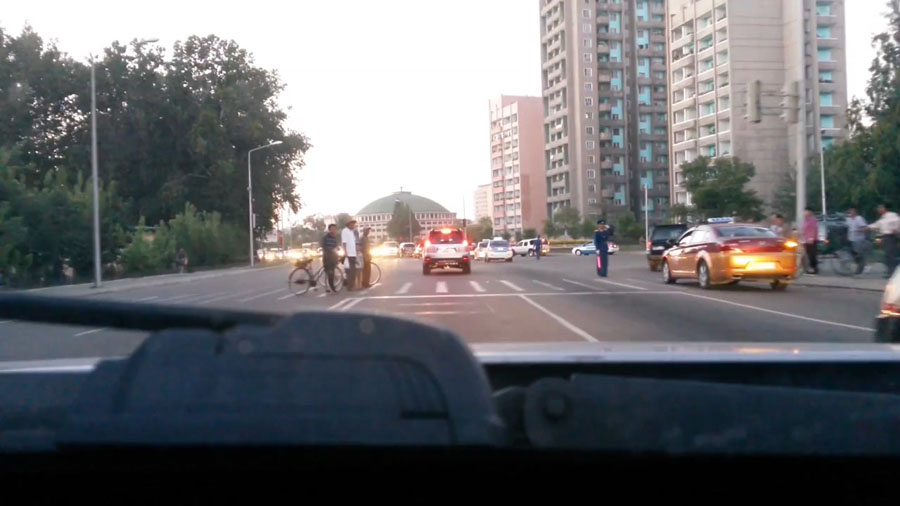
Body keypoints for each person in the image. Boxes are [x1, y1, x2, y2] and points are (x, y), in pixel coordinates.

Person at [868, 203, 900, 278]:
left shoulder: (892, 216)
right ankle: (890, 272)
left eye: (879, 208)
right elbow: (877, 226)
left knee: (891, 255)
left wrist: (896, 230)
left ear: (884, 209)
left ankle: (892, 273)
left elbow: (897, 225)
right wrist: (867, 227)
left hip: (891, 237)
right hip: (885, 237)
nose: (878, 209)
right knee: (888, 255)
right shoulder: (883, 218)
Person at [845, 207, 869, 273]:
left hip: (858, 239)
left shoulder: (859, 218)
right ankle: (860, 265)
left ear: (855, 212)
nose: (850, 213)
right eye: (849, 212)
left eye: (851, 212)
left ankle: (863, 267)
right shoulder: (848, 219)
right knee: (852, 253)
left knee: (859, 254)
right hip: (851, 239)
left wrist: (859, 231)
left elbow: (864, 227)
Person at [320, 224, 340, 292]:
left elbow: (336, 246)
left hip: (333, 258)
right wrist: (330, 250)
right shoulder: (325, 237)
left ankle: (329, 286)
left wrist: (338, 249)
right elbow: (323, 246)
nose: (334, 230)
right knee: (329, 272)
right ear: (329, 229)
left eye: (335, 229)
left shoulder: (335, 238)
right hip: (327, 257)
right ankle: (331, 287)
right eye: (332, 228)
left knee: (331, 272)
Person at [341, 219, 359, 291]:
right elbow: (344, 242)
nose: (353, 226)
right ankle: (350, 286)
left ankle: (351, 285)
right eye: (352, 224)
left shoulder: (352, 232)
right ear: (348, 225)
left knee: (353, 271)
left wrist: (356, 251)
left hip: (353, 254)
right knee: (350, 271)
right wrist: (345, 252)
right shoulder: (345, 231)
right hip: (349, 254)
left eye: (354, 224)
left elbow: (353, 243)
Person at [802, 207, 819, 275]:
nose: (805, 213)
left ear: (810, 212)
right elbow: (805, 230)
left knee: (812, 255)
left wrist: (811, 238)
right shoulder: (806, 220)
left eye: (806, 211)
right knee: (809, 254)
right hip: (806, 240)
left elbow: (814, 229)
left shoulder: (813, 220)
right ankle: (811, 268)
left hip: (811, 240)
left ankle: (814, 269)